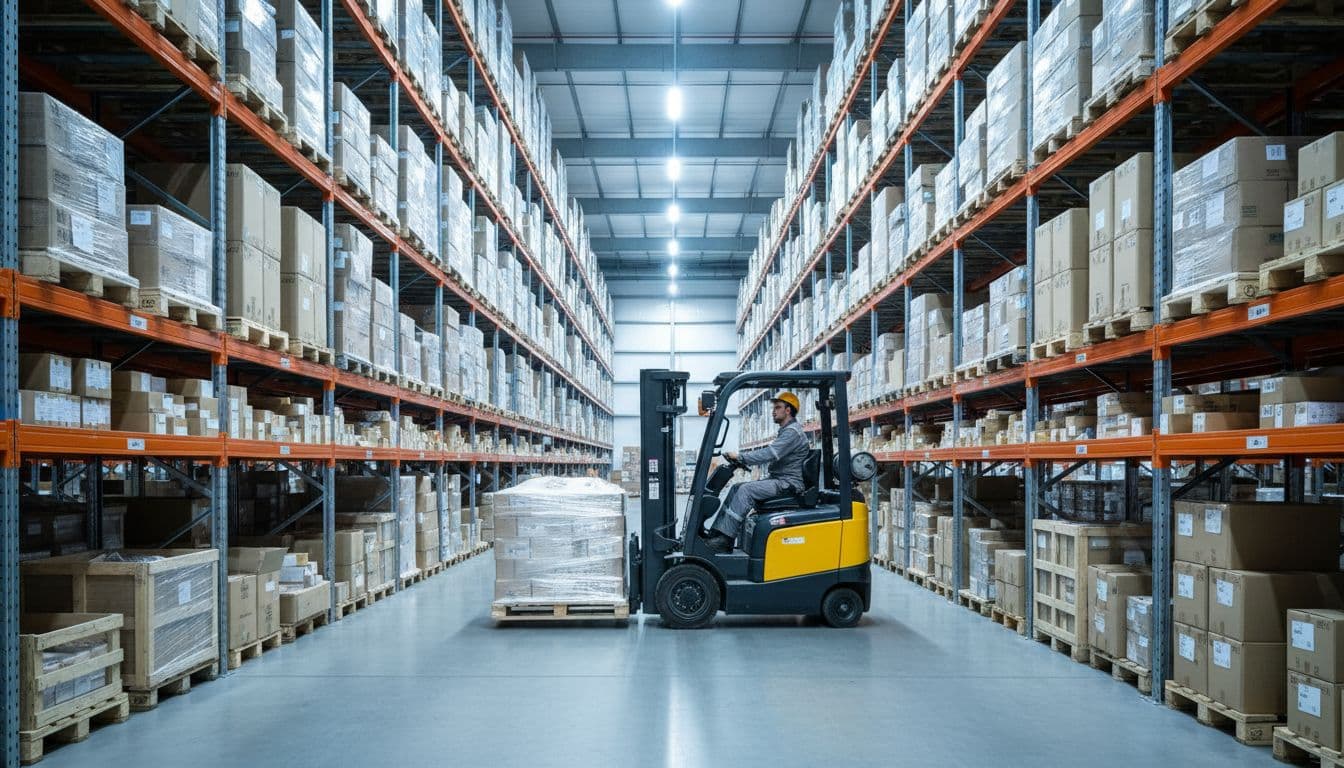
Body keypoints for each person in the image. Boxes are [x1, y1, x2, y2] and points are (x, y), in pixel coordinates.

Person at [704, 391, 809, 553]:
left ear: (788, 410)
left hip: (787, 483)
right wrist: (741, 460)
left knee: (746, 490)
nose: (774, 411)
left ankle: (725, 539)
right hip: (778, 480)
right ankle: (717, 533)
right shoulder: (786, 431)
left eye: (778, 407)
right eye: (774, 407)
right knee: (736, 487)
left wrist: (741, 457)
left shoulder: (792, 433)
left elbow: (769, 454)